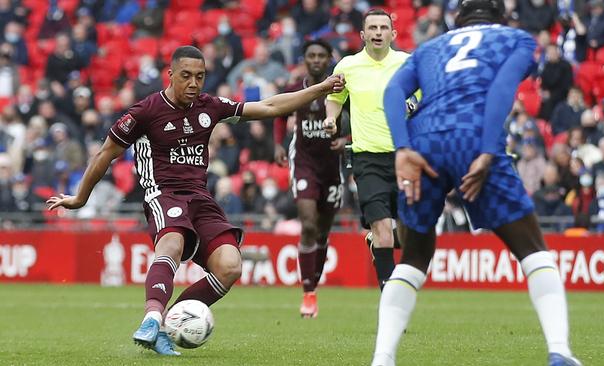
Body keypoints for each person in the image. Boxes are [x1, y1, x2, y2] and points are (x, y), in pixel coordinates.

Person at [46, 45, 345, 356]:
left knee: (230, 266)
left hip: (200, 198)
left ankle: (164, 324)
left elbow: (269, 107)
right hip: (162, 193)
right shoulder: (145, 112)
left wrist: (321, 89)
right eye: (186, 76)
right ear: (171, 75)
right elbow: (105, 154)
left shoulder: (209, 106)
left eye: (199, 77)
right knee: (172, 244)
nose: (193, 83)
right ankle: (151, 318)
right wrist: (80, 198)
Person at [372, 1, 582, 365]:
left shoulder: (431, 48)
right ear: (501, 17)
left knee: (413, 258)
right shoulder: (516, 39)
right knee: (533, 251)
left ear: (457, 19)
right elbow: (502, 87)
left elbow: (392, 92)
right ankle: (560, 353)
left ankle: (382, 358)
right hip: (473, 135)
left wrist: (402, 148)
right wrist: (486, 150)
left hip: (423, 142)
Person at [324, 8, 414, 291]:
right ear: (363, 35)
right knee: (383, 230)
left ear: (393, 34)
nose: (378, 32)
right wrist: (330, 118)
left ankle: (375, 240)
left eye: (383, 28)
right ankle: (390, 296)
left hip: (405, 157)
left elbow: (425, 98)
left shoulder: (408, 64)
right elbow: (335, 97)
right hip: (367, 158)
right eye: (372, 28)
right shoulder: (347, 66)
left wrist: (414, 105)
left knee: (412, 233)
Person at [274, 39, 347, 317]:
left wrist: (346, 140)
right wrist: (278, 144)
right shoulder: (295, 90)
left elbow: (361, 118)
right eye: (311, 56)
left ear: (330, 58)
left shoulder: (341, 90)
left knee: (323, 232)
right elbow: (279, 115)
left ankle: (312, 286)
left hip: (332, 166)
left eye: (321, 55)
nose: (316, 60)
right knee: (308, 225)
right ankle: (308, 294)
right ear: (305, 60)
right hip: (304, 163)